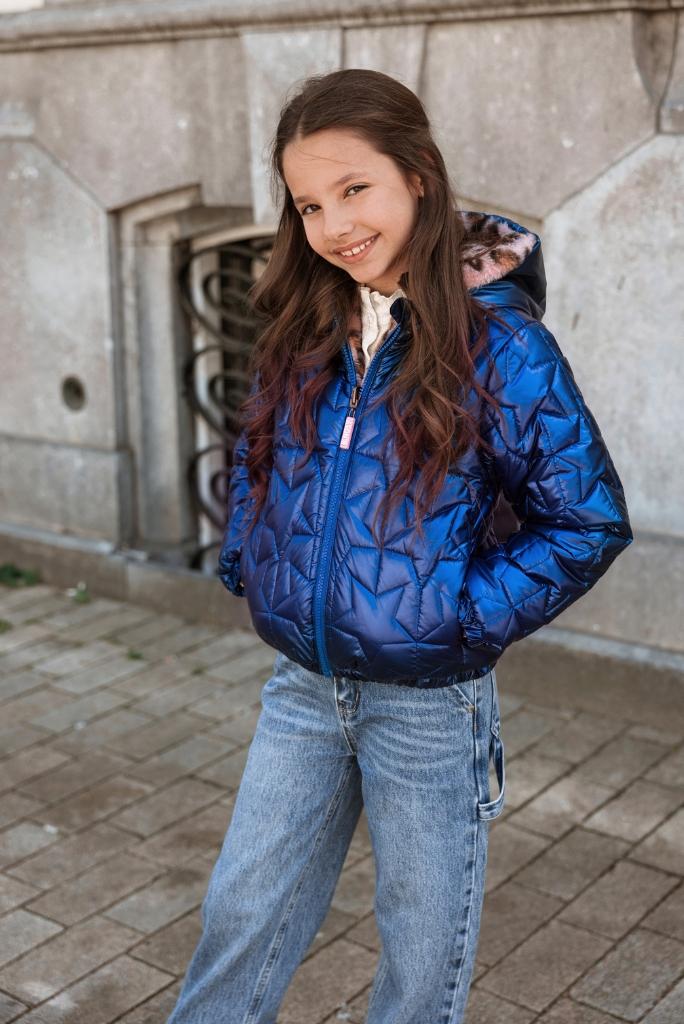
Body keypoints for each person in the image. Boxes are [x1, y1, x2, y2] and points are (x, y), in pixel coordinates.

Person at [167, 68, 633, 1024]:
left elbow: (586, 520)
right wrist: (253, 557)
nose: (334, 225)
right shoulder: (306, 322)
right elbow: (256, 449)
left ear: (418, 175)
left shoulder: (500, 345)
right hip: (304, 687)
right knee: (240, 916)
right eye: (308, 205)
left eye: (353, 190)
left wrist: (459, 615)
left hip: (427, 705)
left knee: (421, 958)